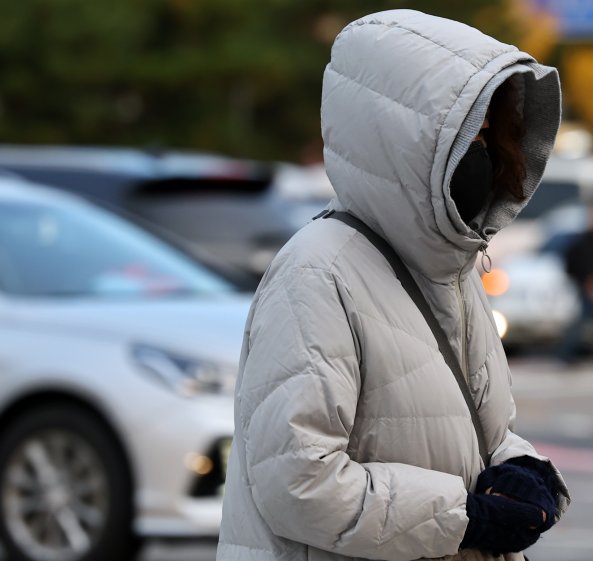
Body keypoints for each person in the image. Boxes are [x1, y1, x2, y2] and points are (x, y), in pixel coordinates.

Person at [217, 10, 570, 561]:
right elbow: (297, 482)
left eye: (485, 135)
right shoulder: (317, 273)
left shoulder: (449, 266)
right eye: (461, 135)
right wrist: (467, 518)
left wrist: (523, 469)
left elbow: (472, 434)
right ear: (404, 142)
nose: (478, 155)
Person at [557, 203, 593, 363]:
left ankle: (566, 353)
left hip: (586, 286)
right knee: (588, 321)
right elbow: (589, 266)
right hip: (587, 286)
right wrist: (591, 285)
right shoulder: (590, 240)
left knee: (586, 321)